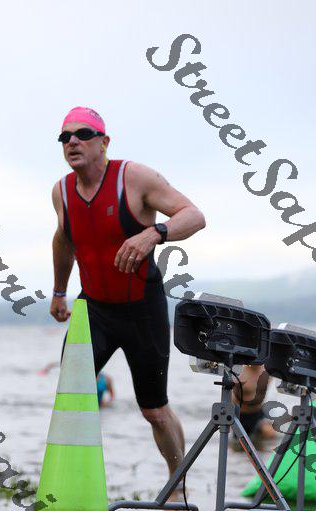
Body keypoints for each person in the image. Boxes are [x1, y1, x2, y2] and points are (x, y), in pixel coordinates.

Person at [50, 106, 205, 489]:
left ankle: (177, 486)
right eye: (65, 136)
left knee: (154, 410)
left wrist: (155, 233)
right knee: (70, 397)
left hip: (142, 311)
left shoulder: (133, 178)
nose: (72, 141)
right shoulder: (61, 191)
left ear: (104, 141)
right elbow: (63, 240)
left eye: (83, 134)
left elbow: (194, 215)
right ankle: (74, 487)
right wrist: (59, 291)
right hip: (93, 309)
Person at [39, 361, 115, 408]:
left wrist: (107, 404)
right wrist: (46, 369)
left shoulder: (106, 380)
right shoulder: (82, 377)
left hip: (99, 407)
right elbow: (63, 362)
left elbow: (112, 396)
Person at [232, 364, 276, 440]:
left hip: (258, 412)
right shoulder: (241, 373)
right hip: (241, 414)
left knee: (270, 433)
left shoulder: (268, 372)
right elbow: (232, 398)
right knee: (239, 442)